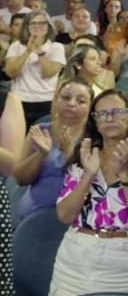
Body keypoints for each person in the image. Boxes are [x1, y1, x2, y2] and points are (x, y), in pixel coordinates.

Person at [50, 89, 128, 296]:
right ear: (94, 122)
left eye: (116, 112)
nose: (109, 118)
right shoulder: (83, 158)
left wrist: (125, 173)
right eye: (102, 114)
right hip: (77, 260)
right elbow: (64, 216)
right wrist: (88, 175)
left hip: (126, 264)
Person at [15, 78, 93, 220]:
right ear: (56, 101)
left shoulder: (95, 138)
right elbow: (21, 179)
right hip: (34, 215)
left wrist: (69, 153)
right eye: (66, 97)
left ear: (90, 106)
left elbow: (94, 181)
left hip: (79, 218)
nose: (71, 103)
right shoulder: (39, 132)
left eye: (80, 101)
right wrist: (41, 154)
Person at [5, 12, 66, 126]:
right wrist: (27, 51)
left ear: (48, 26)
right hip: (19, 101)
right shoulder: (16, 46)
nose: (37, 26)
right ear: (27, 27)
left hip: (46, 102)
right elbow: (10, 72)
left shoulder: (56, 47)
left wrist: (39, 51)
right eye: (33, 23)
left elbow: (48, 73)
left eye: (42, 23)